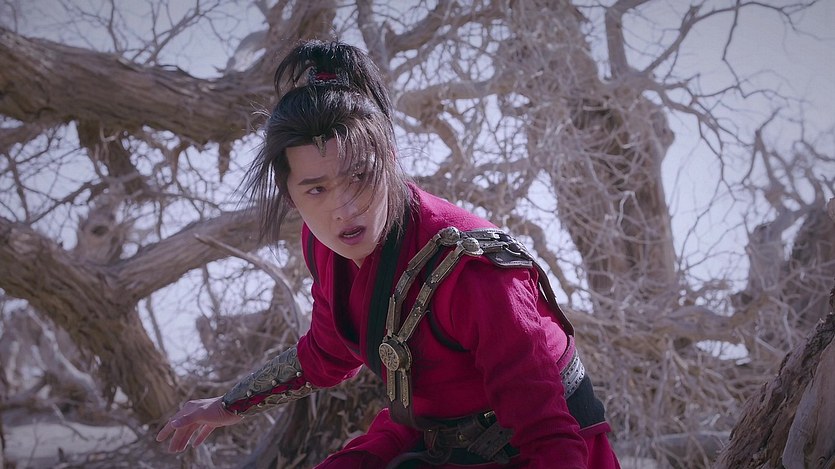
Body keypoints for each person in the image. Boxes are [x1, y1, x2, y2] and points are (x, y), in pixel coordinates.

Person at [156, 39, 621, 469]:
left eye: (360, 177)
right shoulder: (324, 245)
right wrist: (229, 405)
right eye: (316, 189)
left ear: (391, 162)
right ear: (291, 195)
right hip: (428, 431)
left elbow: (548, 436)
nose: (344, 208)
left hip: (540, 446)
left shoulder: (472, 270)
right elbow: (328, 352)